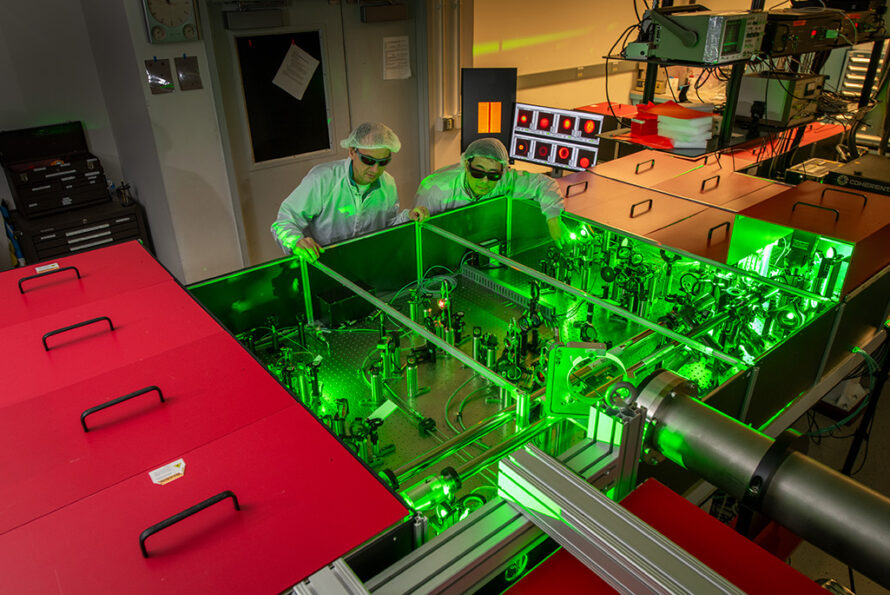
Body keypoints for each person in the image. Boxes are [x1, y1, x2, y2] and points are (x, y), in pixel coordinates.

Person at [271, 122, 420, 261]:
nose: (375, 170)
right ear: (351, 151)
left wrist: (408, 217)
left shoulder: (388, 184)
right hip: (323, 265)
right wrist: (296, 242)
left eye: (383, 162)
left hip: (365, 265)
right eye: (368, 160)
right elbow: (283, 222)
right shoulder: (322, 180)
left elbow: (387, 225)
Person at [410, 138, 564, 244]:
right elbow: (419, 234)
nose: (485, 182)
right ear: (466, 165)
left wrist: (553, 218)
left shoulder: (504, 181)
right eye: (478, 172)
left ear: (502, 171)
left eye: (493, 175)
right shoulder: (436, 190)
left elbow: (545, 184)